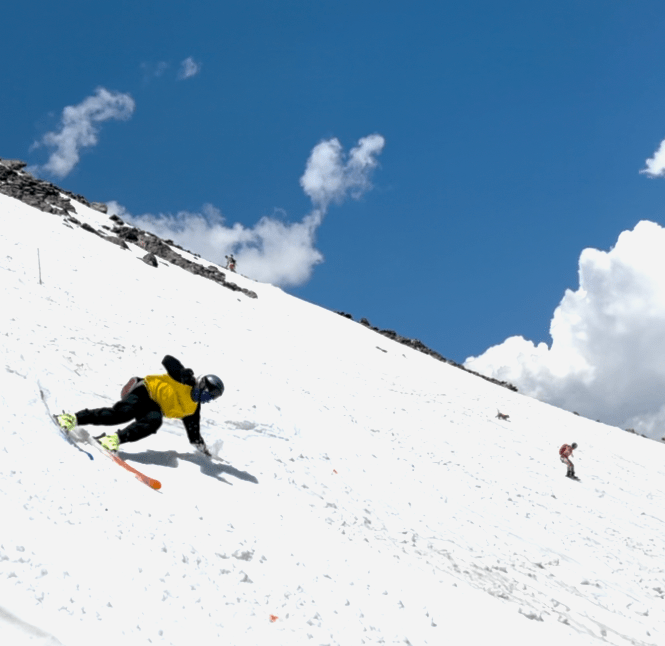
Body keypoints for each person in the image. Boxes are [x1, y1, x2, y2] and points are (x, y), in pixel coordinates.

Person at [56, 355, 224, 455]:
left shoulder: (193, 409)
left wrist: (205, 451)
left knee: (154, 420)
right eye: (210, 393)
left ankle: (113, 439)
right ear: (202, 385)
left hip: (154, 406)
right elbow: (168, 360)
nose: (210, 398)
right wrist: (180, 371)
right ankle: (71, 418)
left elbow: (194, 433)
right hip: (144, 390)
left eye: (213, 397)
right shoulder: (185, 380)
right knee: (123, 413)